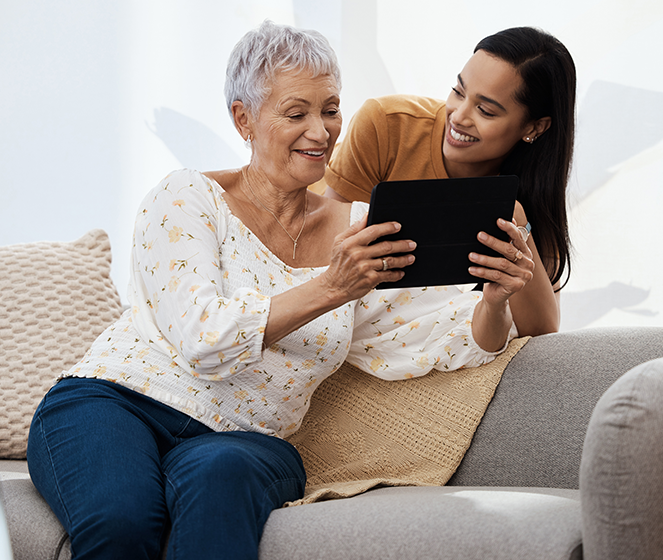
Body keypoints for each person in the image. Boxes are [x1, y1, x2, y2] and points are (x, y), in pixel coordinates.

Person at [26, 21, 534, 560]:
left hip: (244, 441)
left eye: (331, 109)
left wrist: (495, 301)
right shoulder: (187, 198)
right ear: (244, 119)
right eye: (297, 114)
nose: (321, 131)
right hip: (114, 402)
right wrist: (332, 286)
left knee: (219, 485)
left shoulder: (362, 232)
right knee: (124, 523)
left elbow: (456, 337)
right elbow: (205, 339)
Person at [319, 26, 576, 337]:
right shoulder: (386, 125)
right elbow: (322, 260)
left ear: (535, 128)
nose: (458, 116)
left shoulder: (533, 195)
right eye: (458, 91)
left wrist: (518, 219)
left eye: (485, 110)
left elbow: (542, 335)